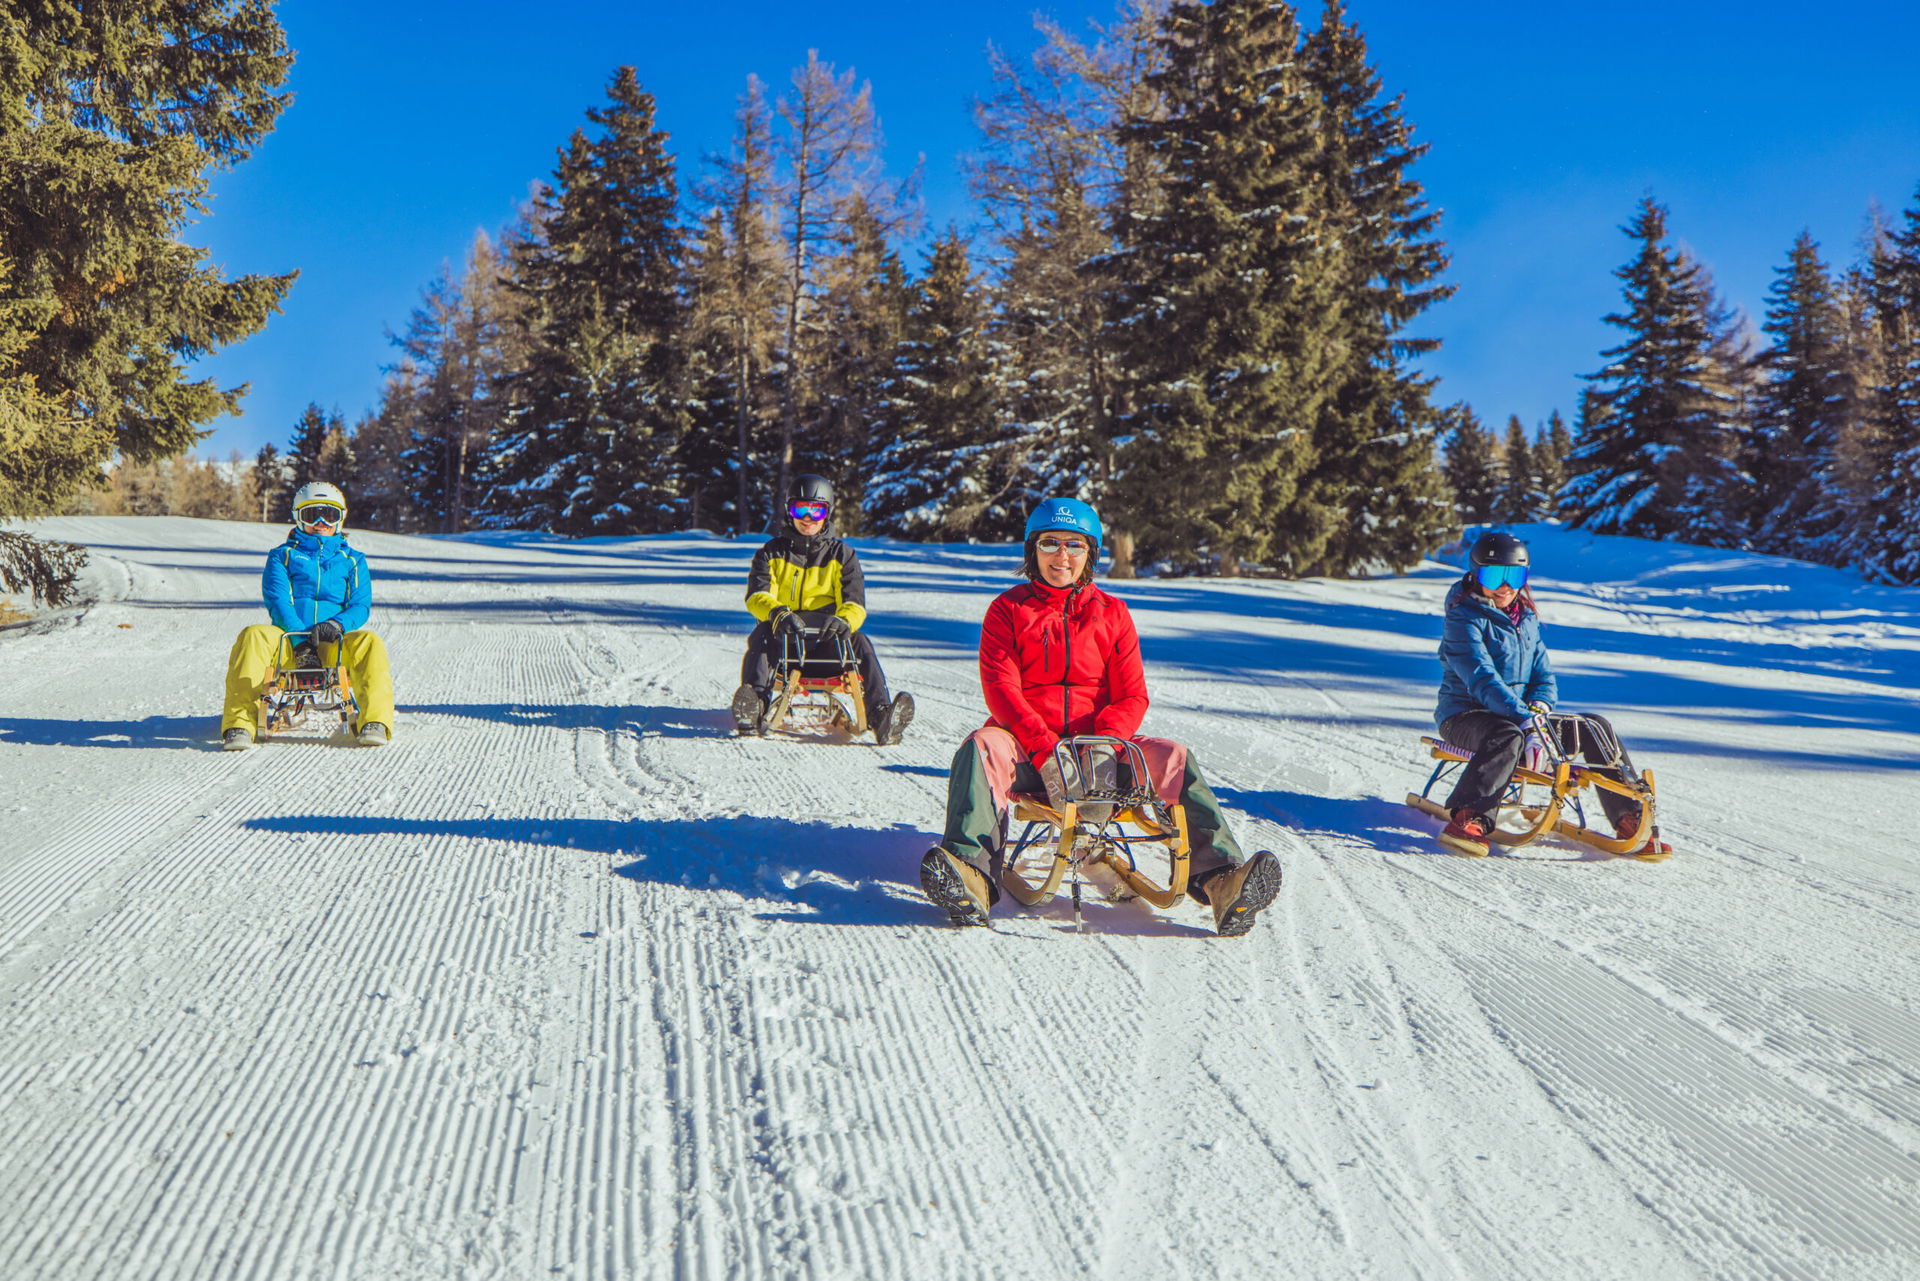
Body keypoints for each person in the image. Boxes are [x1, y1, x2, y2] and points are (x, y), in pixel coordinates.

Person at [918, 497, 1281, 936]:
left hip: (1102, 752)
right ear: (1032, 550)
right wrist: (1046, 749)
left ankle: (1224, 880)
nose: (1062, 556)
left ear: (1091, 553)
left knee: (1174, 757)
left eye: (1075, 545)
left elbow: (1132, 696)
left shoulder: (1113, 614)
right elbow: (1003, 691)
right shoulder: (1008, 611)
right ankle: (970, 873)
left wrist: (1104, 747)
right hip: (1032, 751)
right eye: (1050, 543)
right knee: (982, 747)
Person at [1433, 531, 1669, 856]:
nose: (1505, 586)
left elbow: (1543, 674)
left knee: (1591, 725)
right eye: (1494, 574)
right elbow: (1481, 679)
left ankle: (1629, 817)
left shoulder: (1525, 618)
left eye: (1514, 575)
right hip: (1466, 716)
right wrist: (1527, 722)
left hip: (1521, 718)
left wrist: (1540, 709)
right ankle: (1470, 817)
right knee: (1507, 736)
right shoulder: (1463, 619)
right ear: (1475, 575)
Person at [731, 474, 915, 745]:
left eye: (816, 510)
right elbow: (757, 596)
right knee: (761, 635)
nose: (807, 518)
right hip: (785, 647)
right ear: (788, 510)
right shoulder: (770, 553)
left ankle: (880, 717)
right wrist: (778, 613)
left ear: (827, 513)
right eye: (800, 509)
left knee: (861, 643)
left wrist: (844, 621)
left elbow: (855, 603)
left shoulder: (842, 556)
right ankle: (754, 706)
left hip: (829, 646)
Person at [220, 482, 395, 749]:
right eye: (312, 515)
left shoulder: (353, 560)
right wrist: (300, 642)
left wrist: (336, 624)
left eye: (330, 515)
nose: (322, 522)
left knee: (369, 642)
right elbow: (278, 600)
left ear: (341, 517)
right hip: (289, 643)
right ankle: (239, 724)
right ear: (298, 517)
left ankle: (375, 721)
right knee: (253, 635)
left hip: (333, 644)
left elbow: (360, 606)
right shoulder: (282, 556)